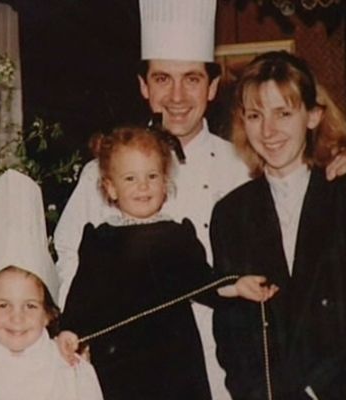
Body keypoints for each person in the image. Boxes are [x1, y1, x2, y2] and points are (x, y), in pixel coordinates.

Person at [53, 1, 346, 397]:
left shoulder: (244, 167)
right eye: (162, 79)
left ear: (212, 87)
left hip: (234, 376)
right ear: (143, 86)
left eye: (191, 79)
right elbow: (73, 265)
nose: (176, 95)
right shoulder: (99, 175)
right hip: (131, 371)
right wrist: (81, 334)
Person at [59, 126, 276, 400]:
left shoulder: (177, 234)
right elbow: (83, 292)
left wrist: (237, 286)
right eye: (130, 178)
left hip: (175, 360)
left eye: (152, 176)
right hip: (119, 362)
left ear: (165, 183)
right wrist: (70, 328)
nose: (143, 186)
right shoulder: (100, 238)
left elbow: (201, 281)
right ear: (110, 188)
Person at [211, 51, 346, 400]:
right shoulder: (230, 213)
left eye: (283, 113)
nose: (268, 131)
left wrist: (317, 390)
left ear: (313, 115)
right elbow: (231, 331)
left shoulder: (339, 194)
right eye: (255, 115)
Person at [0, 170, 103, 400]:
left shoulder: (73, 370)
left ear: (48, 314)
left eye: (30, 306)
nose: (16, 317)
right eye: (3, 305)